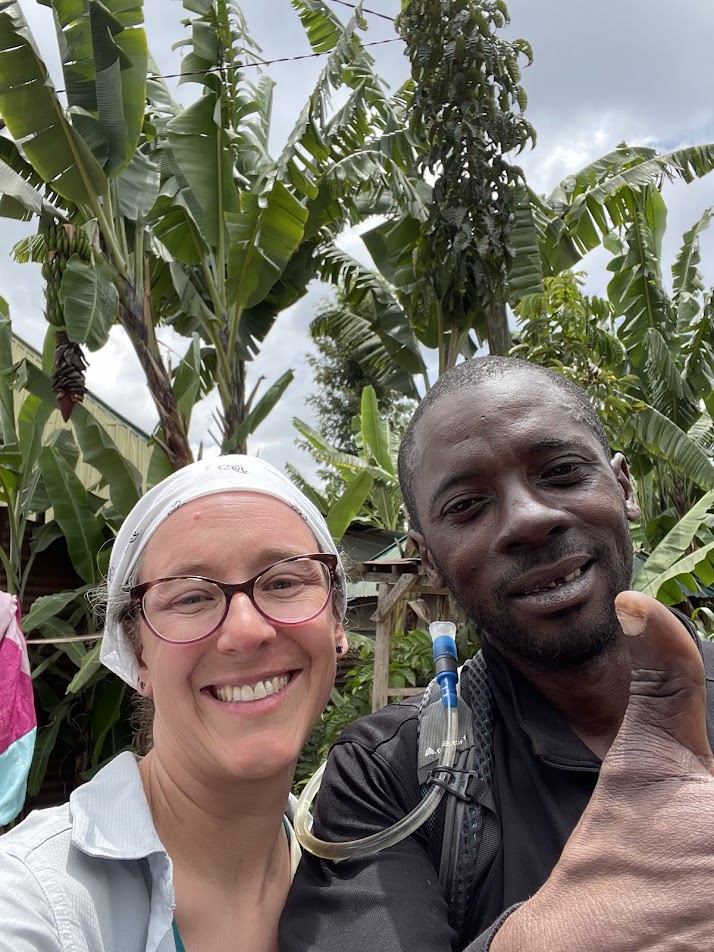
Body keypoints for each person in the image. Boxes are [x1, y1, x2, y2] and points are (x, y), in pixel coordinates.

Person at [281, 356, 714, 952]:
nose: (529, 520)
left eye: (562, 472)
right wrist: (557, 934)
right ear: (428, 558)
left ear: (623, 487)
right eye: (467, 506)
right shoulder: (388, 777)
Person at [0, 454, 348, 952]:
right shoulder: (34, 899)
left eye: (284, 583)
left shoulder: (359, 868)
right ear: (138, 654)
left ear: (337, 623)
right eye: (190, 598)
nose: (246, 631)